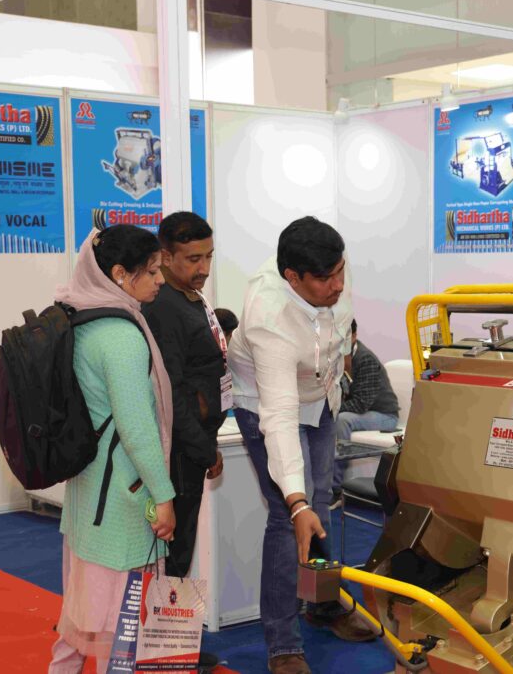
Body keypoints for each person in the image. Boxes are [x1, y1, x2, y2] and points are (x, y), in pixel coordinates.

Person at [228, 217, 374, 674]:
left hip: (321, 397)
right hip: (266, 405)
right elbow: (278, 417)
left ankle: (323, 606)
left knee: (322, 505)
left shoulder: (331, 275)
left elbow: (340, 332)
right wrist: (295, 501)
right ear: (292, 277)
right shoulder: (268, 319)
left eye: (341, 271)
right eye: (326, 278)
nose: (338, 284)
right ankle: (283, 644)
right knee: (289, 518)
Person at [49, 226, 176, 674]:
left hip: (89, 492)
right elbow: (137, 428)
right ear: (121, 274)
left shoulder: (81, 318)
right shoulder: (121, 337)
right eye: (152, 271)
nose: (160, 279)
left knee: (80, 610)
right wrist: (164, 496)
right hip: (121, 497)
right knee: (118, 624)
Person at [142, 212, 226, 581]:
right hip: (178, 449)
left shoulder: (188, 296)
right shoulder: (164, 306)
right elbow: (169, 391)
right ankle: (162, 620)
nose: (204, 267)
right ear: (165, 256)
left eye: (208, 256)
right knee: (173, 553)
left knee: (180, 549)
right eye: (194, 259)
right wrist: (202, 448)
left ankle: (167, 619)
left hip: (193, 442)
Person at [332, 319, 399, 500]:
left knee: (341, 419)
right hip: (364, 411)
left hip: (385, 415)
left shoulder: (365, 359)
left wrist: (331, 409)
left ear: (354, 336)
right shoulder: (335, 359)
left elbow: (361, 404)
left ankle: (335, 488)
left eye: (345, 336)